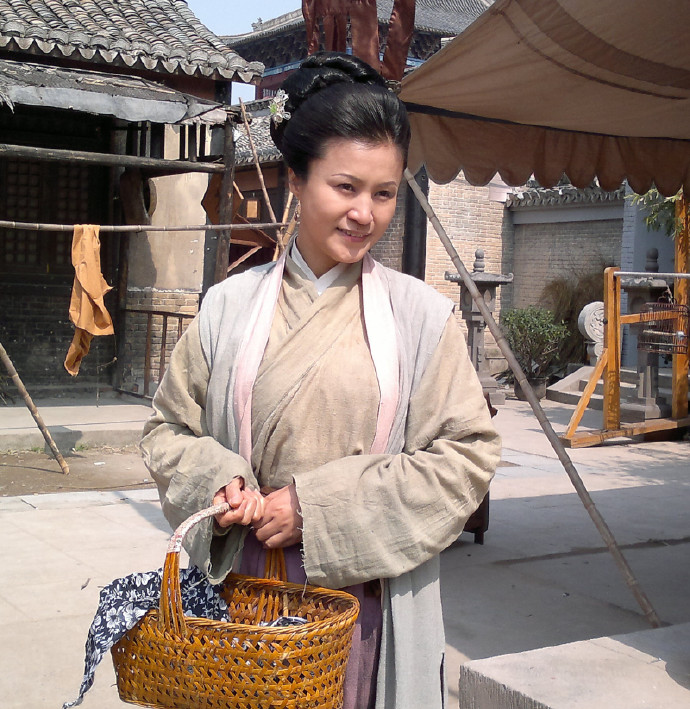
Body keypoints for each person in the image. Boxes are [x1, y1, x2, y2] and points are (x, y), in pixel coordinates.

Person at [141, 52, 501, 709]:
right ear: (297, 180)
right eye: (346, 187)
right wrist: (217, 479)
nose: (366, 213)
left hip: (363, 602)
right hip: (244, 590)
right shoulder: (228, 306)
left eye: (384, 193)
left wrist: (319, 509)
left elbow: (467, 457)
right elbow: (167, 429)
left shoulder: (421, 317)